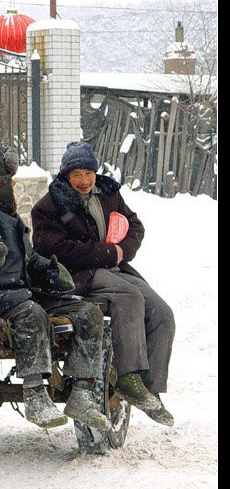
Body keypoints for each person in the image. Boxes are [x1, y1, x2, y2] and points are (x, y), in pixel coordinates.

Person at [0, 145, 111, 431]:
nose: (12, 185)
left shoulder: (10, 218)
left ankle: (81, 392)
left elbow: (28, 259)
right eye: (8, 180)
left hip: (21, 293)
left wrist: (49, 270)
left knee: (88, 313)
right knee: (31, 314)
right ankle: (34, 393)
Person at [30, 141, 175, 426]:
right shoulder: (49, 206)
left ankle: (151, 388)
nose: (84, 181)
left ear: (95, 172)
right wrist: (108, 252)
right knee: (130, 297)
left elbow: (135, 226)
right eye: (76, 175)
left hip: (114, 267)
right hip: (75, 275)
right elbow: (55, 250)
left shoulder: (108, 193)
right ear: (64, 174)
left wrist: (122, 251)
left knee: (162, 312)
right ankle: (127, 377)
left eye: (88, 173)